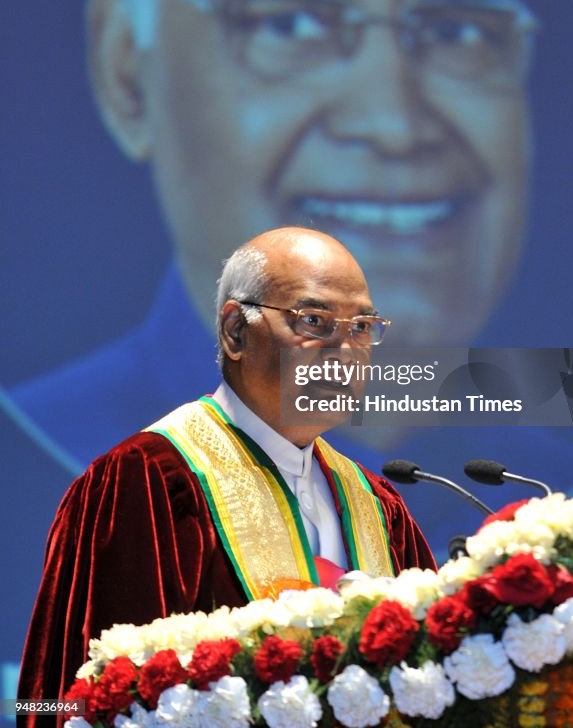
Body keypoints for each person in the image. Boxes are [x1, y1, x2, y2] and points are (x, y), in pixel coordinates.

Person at [11, 0, 534, 461]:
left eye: (455, 29)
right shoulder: (56, 475)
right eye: (288, 24)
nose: (394, 120)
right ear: (126, 63)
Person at [18, 228, 435, 725]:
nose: (346, 349)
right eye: (315, 321)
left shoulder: (377, 503)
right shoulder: (149, 480)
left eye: (362, 326)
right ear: (236, 331)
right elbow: (66, 699)